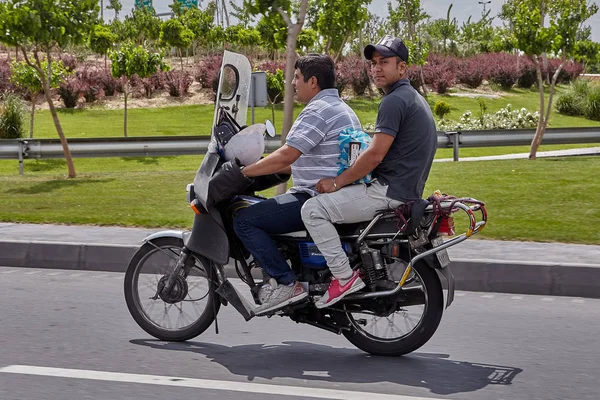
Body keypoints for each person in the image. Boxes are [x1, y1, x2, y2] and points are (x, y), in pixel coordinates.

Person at [301, 35, 438, 309]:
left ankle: (343, 277)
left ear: (402, 68)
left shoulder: (394, 101)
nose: (376, 68)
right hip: (404, 189)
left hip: (387, 192)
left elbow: (375, 155)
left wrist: (336, 182)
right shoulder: (413, 98)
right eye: (373, 63)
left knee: (312, 210)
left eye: (384, 62)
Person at [233, 54, 361, 315]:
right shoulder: (340, 107)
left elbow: (288, 154)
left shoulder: (318, 110)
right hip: (335, 196)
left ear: (312, 82)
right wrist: (261, 169)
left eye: (297, 77)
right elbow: (297, 161)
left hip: (313, 198)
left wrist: (243, 173)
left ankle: (285, 283)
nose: (292, 83)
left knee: (245, 220)